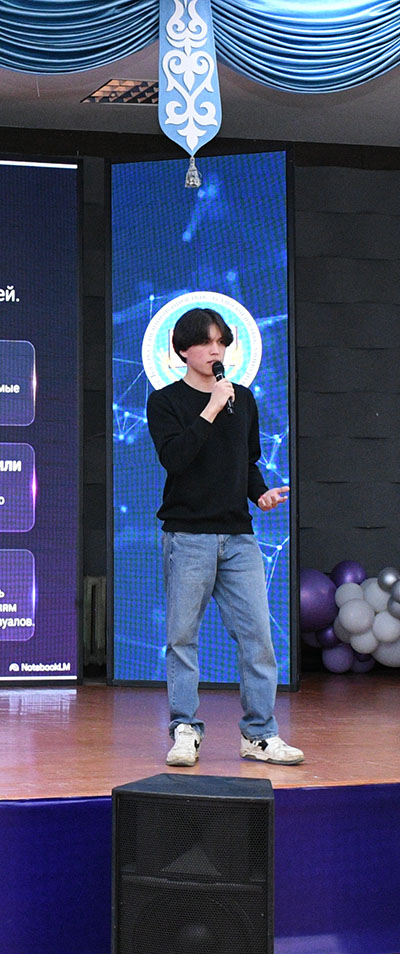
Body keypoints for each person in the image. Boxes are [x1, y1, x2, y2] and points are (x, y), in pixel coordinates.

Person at [145, 307, 303, 767]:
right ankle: (184, 730)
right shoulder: (165, 401)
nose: (215, 351)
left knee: (257, 638)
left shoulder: (243, 399)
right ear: (183, 350)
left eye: (221, 342)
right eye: (206, 342)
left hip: (238, 537)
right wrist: (211, 408)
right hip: (187, 536)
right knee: (182, 638)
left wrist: (260, 494)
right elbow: (175, 459)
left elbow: (247, 460)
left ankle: (259, 735)